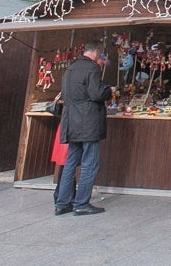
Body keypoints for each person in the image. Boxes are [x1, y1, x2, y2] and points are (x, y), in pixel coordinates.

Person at [54, 41, 114, 217]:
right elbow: (96, 93)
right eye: (100, 55)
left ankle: (62, 203)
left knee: (70, 163)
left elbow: (66, 94)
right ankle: (81, 203)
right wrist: (108, 91)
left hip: (71, 121)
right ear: (96, 53)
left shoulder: (70, 69)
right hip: (88, 122)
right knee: (89, 163)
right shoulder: (92, 69)